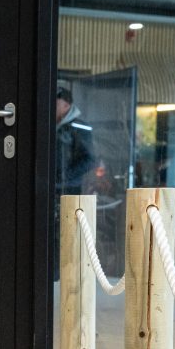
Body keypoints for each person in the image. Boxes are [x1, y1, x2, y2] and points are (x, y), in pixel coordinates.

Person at [53, 86, 95, 279]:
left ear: (66, 104)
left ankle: (68, 277)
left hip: (69, 189)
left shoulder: (79, 127)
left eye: (56, 102)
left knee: (67, 235)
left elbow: (89, 159)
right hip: (55, 188)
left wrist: (66, 176)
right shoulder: (55, 126)